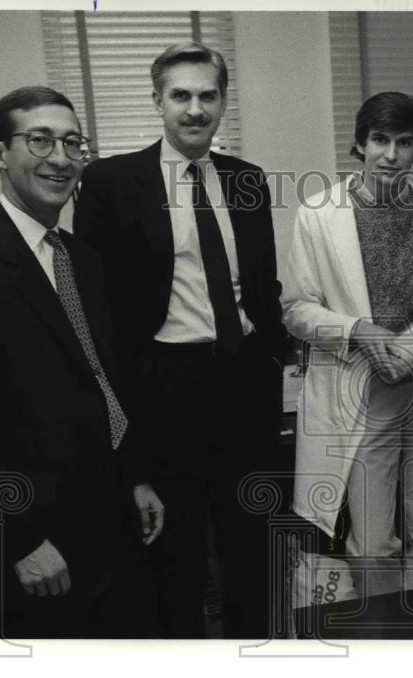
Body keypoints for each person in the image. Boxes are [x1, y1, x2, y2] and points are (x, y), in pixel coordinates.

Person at [0, 86, 164, 638]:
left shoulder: (82, 257)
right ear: (0, 153)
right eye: (40, 140)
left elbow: (104, 380)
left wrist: (137, 478)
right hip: (41, 538)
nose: (60, 157)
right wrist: (19, 539)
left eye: (73, 142)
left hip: (113, 514)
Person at [74, 43, 288, 638]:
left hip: (243, 383)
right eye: (181, 96)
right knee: (177, 557)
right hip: (165, 390)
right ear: (158, 101)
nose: (195, 109)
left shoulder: (247, 180)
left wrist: (271, 357)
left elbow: (262, 285)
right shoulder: (112, 181)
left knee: (254, 546)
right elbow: (99, 311)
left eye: (207, 95)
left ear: (223, 102)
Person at [281, 91, 413, 599]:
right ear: (360, 143)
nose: (391, 155)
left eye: (404, 143)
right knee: (373, 544)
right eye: (380, 140)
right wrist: (358, 329)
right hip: (362, 392)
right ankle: (380, 642)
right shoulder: (318, 214)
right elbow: (295, 308)